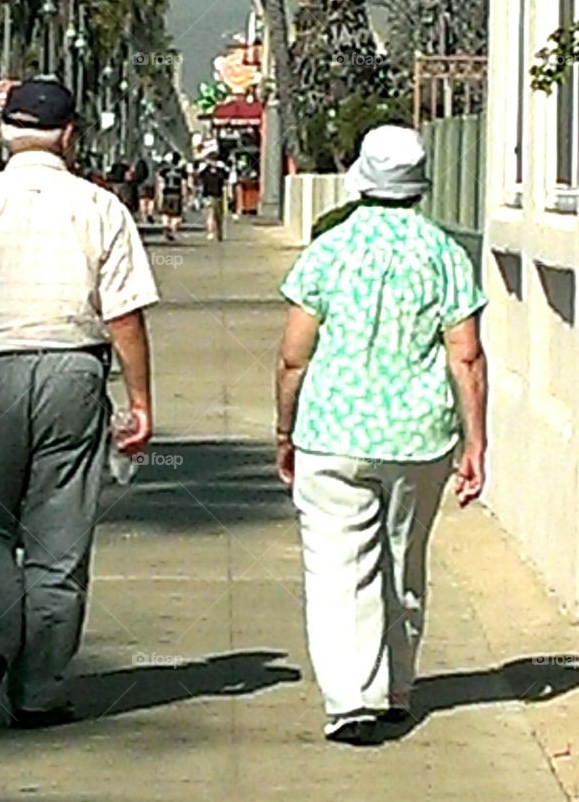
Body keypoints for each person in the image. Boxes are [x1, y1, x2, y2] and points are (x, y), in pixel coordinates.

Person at [0, 77, 159, 729]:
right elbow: (124, 316)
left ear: (6, 133)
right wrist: (139, 402)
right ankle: (40, 690)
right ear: (70, 133)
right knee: (58, 539)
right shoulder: (100, 208)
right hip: (73, 377)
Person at [275, 125, 488, 745]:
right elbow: (466, 355)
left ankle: (351, 700)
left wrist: (284, 431)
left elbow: (294, 355)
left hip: (332, 435)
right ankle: (396, 687)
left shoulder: (327, 252)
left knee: (340, 568)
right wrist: (475, 440)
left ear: (361, 180)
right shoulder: (446, 255)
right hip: (419, 439)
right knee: (402, 558)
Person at [198, 151, 228, 241]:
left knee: (217, 215)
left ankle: (218, 232)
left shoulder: (219, 171)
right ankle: (212, 232)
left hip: (218, 195)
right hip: (210, 195)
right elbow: (199, 178)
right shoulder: (207, 171)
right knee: (211, 214)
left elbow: (225, 182)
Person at [159, 151, 186, 241]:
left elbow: (160, 182)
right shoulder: (181, 171)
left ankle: (165, 225)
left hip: (167, 193)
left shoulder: (165, 170)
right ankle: (172, 230)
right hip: (177, 194)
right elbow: (184, 183)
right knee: (176, 215)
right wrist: (185, 195)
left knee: (166, 212)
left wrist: (159, 194)